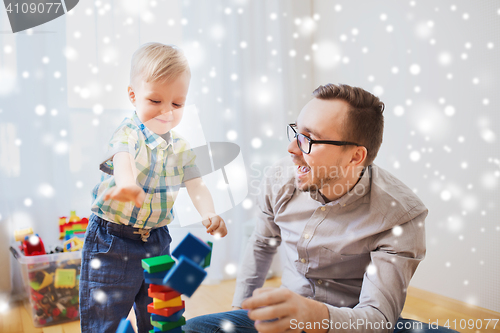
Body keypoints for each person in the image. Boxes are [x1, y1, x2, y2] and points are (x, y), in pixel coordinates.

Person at [184, 83, 457, 333]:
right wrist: (240, 313)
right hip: (286, 320)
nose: (291, 149)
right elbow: (262, 242)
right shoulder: (279, 178)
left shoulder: (401, 216)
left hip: (351, 324)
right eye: (296, 132)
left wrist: (314, 315)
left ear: (355, 156)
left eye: (309, 139)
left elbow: (377, 318)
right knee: (196, 329)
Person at [79, 42, 227, 333]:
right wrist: (127, 185)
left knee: (162, 315)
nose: (167, 112)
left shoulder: (182, 146)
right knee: (106, 316)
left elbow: (196, 184)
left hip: (157, 240)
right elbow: (123, 158)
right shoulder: (128, 132)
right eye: (155, 101)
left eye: (177, 104)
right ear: (133, 96)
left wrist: (210, 213)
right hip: (112, 240)